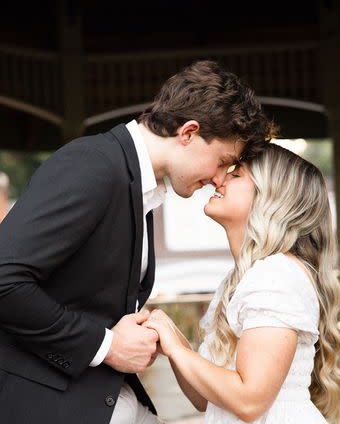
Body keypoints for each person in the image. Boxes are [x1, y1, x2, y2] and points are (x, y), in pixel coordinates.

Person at [0, 60, 273, 424]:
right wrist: (106, 345)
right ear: (188, 133)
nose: (219, 179)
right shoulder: (93, 165)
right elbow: (4, 279)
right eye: (223, 161)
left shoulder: (139, 184)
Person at [145, 143, 340, 424]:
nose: (219, 178)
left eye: (236, 175)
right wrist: (173, 339)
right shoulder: (238, 282)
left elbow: (250, 402)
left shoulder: (276, 276)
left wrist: (177, 350)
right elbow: (203, 398)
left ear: (269, 199)